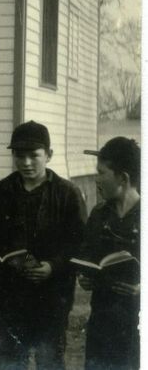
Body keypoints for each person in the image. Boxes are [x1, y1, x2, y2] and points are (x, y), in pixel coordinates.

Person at [0, 121, 86, 369]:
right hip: (11, 296)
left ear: (49, 155)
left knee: (49, 360)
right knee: (9, 362)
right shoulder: (1, 192)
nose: (26, 163)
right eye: (19, 155)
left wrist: (54, 265)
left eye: (34, 156)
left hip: (51, 295)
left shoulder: (68, 194)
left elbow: (80, 242)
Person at [77, 137, 140, 370]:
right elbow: (87, 254)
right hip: (102, 322)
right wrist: (85, 276)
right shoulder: (99, 213)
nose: (96, 179)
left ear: (123, 178)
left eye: (102, 173)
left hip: (137, 325)